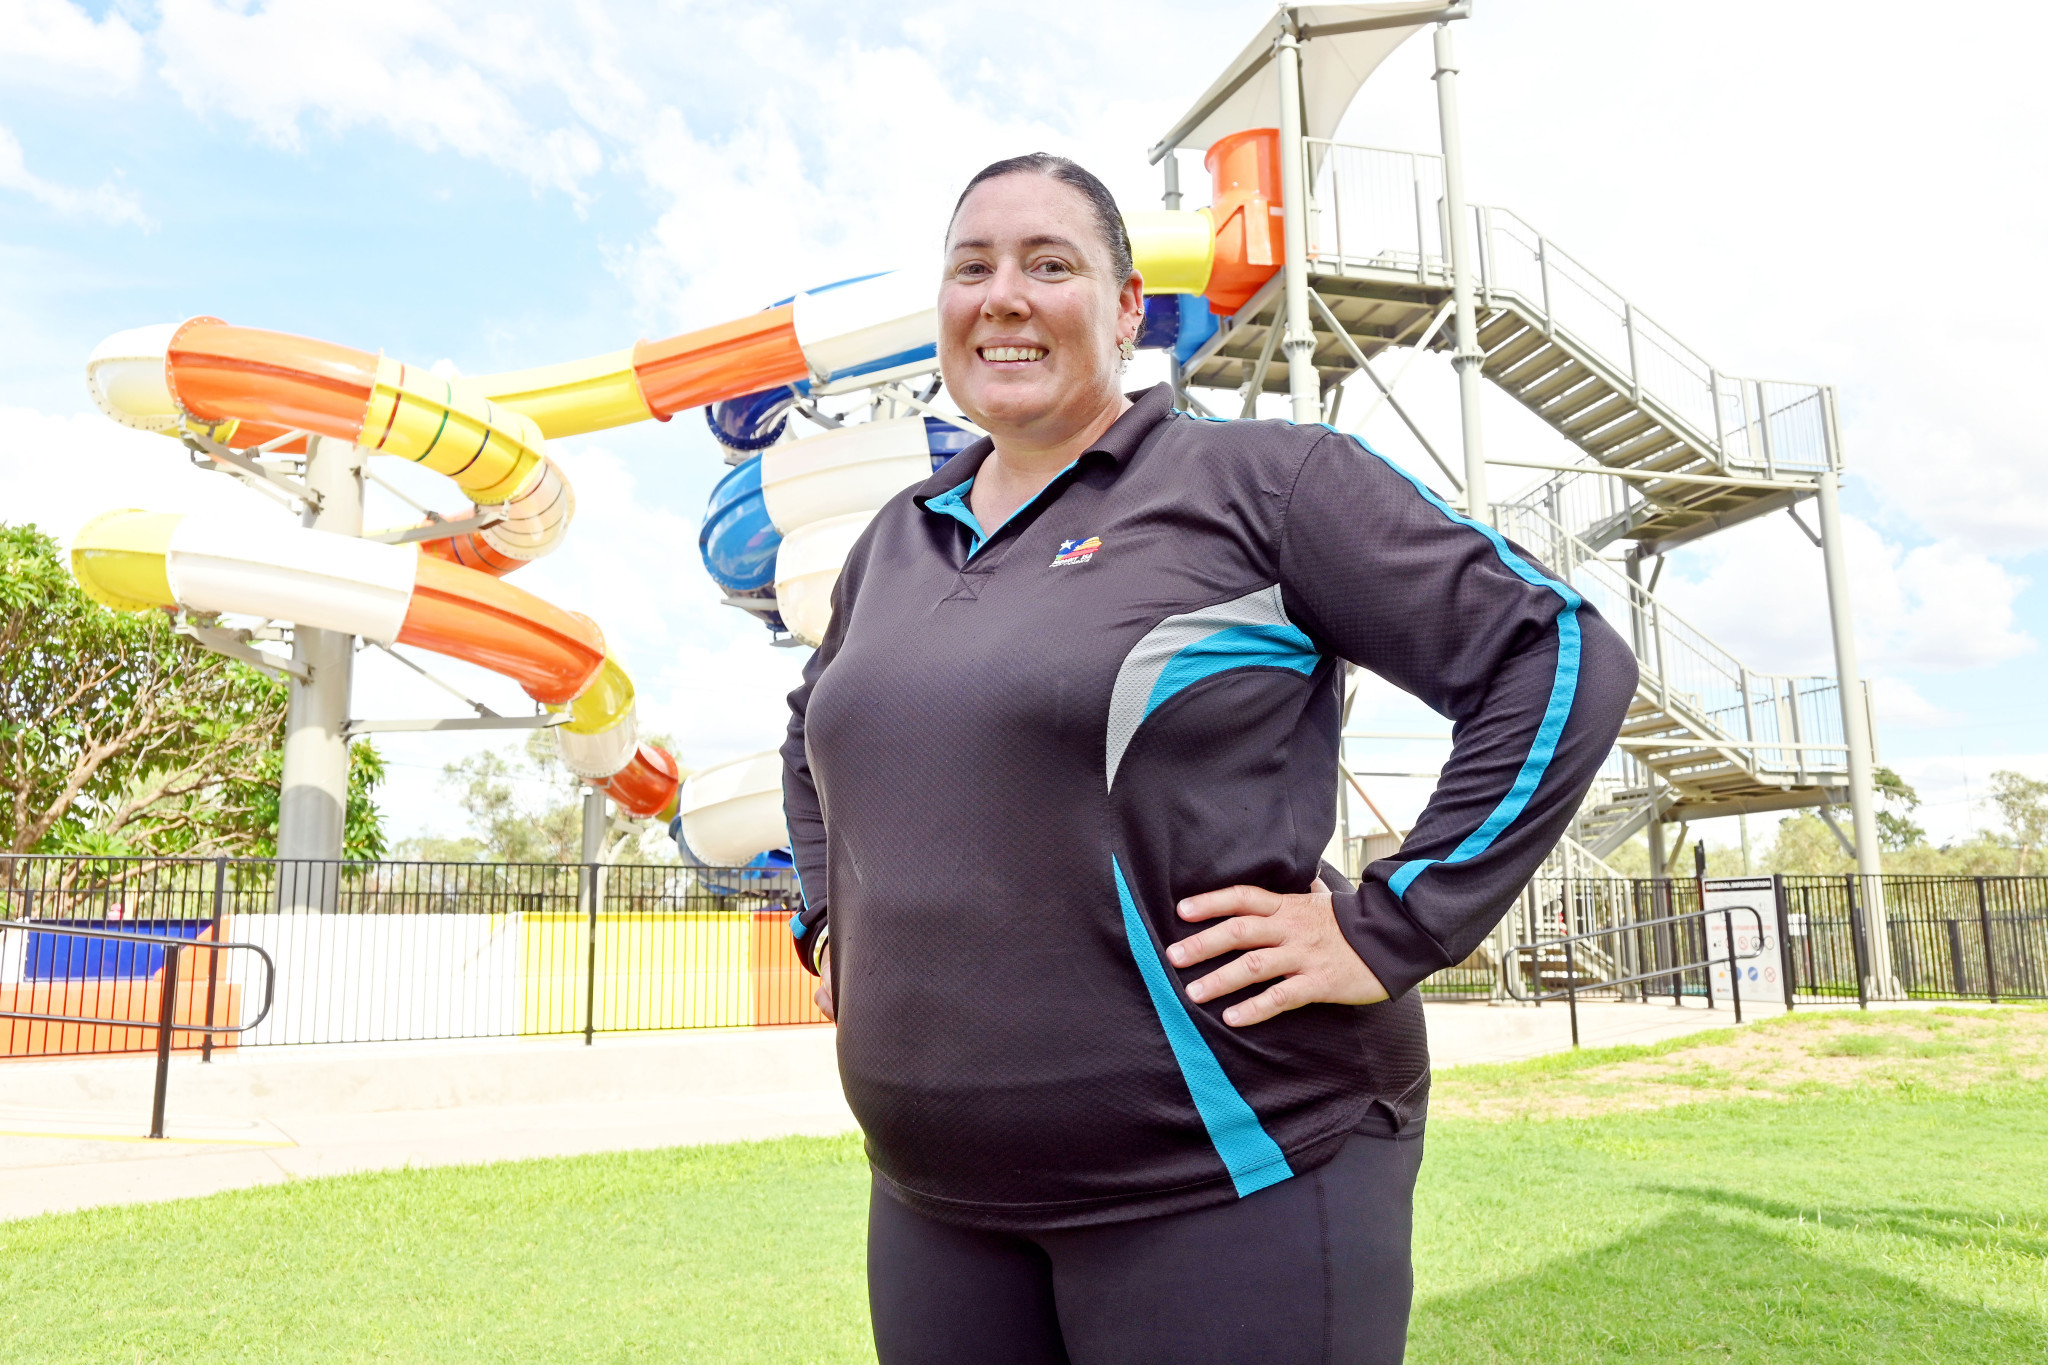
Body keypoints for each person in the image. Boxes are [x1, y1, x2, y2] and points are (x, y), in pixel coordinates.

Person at [782, 153, 1635, 1365]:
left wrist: (1392, 924)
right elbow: (808, 733)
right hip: (933, 1203)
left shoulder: (1260, 484)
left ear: (1127, 310)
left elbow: (1552, 652)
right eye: (970, 267)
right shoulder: (897, 540)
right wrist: (827, 921)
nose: (1002, 296)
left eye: (1048, 264)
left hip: (1228, 1172)